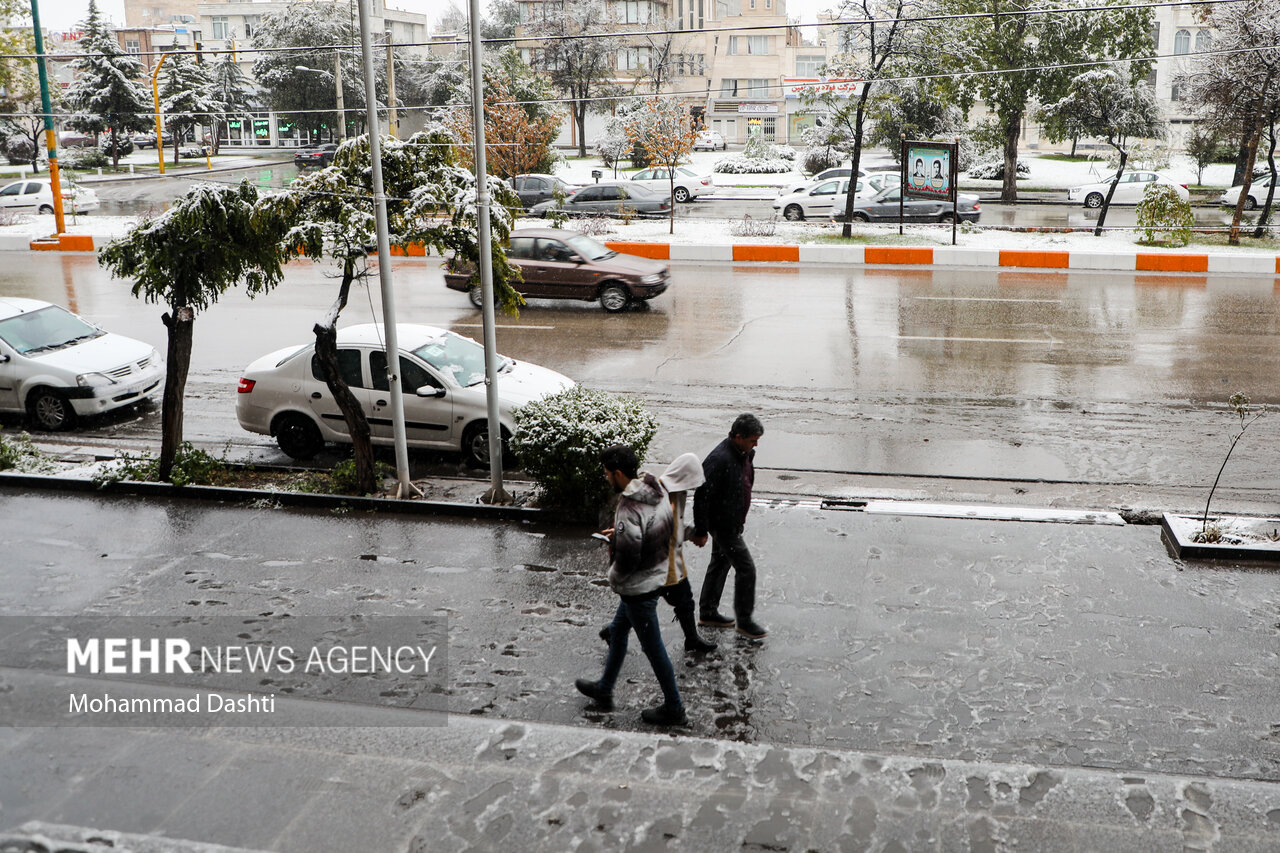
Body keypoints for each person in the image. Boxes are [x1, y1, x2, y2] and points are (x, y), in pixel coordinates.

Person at [575, 445, 687, 726]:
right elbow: (661, 528)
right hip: (655, 576)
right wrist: (620, 537)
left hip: (639, 588)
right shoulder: (657, 490)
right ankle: (605, 687)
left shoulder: (628, 506)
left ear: (618, 473)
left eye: (606, 474)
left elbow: (628, 560)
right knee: (618, 630)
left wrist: (613, 577)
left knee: (655, 649)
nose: (605, 478)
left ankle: (675, 707)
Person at [597, 453, 716, 654]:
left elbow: (673, 526)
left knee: (641, 602)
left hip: (668, 559)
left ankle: (614, 631)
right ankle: (690, 639)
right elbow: (646, 527)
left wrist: (692, 533)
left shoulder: (677, 492)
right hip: (661, 561)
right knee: (672, 600)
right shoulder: (660, 495)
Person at [693, 413, 767, 639]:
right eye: (753, 439)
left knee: (720, 563)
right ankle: (744, 622)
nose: (756, 443)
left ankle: (707, 612)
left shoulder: (743, 454)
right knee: (746, 569)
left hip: (732, 521)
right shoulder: (720, 459)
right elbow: (701, 495)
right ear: (738, 436)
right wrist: (701, 530)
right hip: (724, 526)